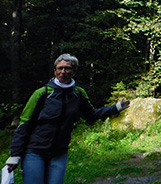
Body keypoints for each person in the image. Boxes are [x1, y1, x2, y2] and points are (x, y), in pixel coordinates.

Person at [5, 53, 130, 184]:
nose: (63, 72)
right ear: (55, 71)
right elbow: (25, 123)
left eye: (67, 68)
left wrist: (116, 108)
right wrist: (15, 154)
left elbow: (92, 114)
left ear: (74, 71)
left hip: (59, 152)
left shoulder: (78, 94)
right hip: (34, 151)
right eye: (59, 68)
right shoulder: (42, 93)